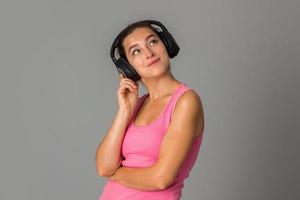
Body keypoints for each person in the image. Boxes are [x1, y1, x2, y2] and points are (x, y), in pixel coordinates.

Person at [95, 19, 205, 200]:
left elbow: (161, 178)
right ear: (128, 67)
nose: (148, 53)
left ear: (166, 44)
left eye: (152, 42)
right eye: (136, 51)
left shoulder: (185, 102)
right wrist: (124, 111)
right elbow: (103, 166)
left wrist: (117, 174)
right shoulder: (136, 105)